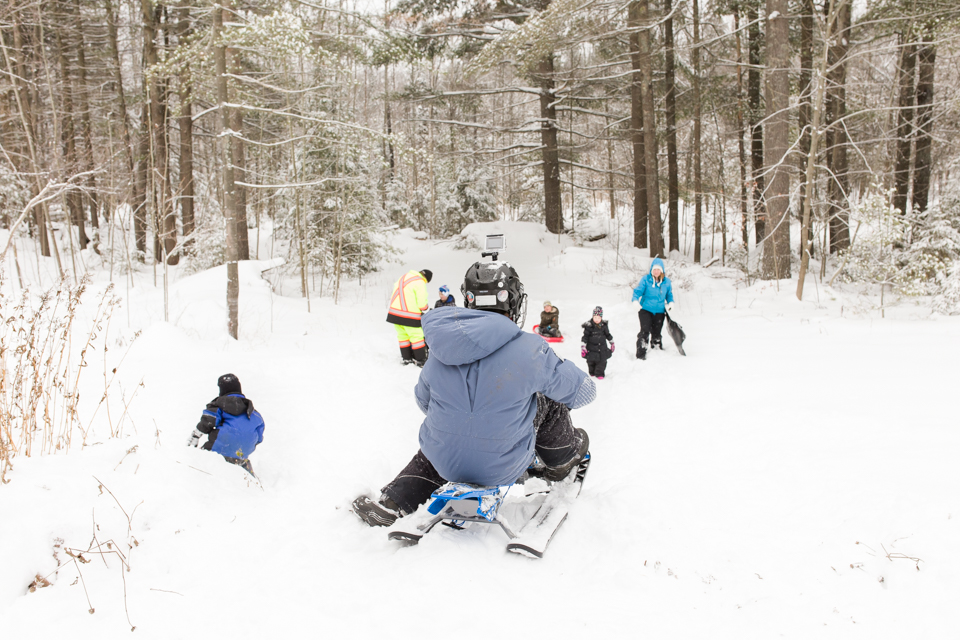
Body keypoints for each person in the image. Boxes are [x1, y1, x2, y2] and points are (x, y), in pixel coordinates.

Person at [353, 261, 595, 527]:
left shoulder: (442, 348)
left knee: (442, 438)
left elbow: (424, 400)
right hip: (504, 465)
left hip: (447, 462)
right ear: (514, 302)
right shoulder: (530, 349)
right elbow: (582, 393)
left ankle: (394, 501)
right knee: (548, 396)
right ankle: (561, 461)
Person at [188, 374, 265, 475]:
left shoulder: (219, 405)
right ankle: (248, 475)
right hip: (244, 450)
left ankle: (198, 473)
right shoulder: (254, 413)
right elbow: (259, 437)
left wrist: (195, 435)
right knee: (239, 458)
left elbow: (208, 421)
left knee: (204, 456)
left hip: (221, 446)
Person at [386, 268, 432, 366]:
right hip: (409, 315)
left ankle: (406, 359)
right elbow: (422, 304)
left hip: (394, 313)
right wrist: (426, 307)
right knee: (417, 336)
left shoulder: (404, 277)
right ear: (426, 278)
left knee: (403, 336)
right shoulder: (419, 282)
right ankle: (421, 360)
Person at [631, 257, 674, 360]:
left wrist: (671, 302)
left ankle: (656, 350)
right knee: (644, 331)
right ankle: (641, 354)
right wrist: (635, 301)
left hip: (659, 311)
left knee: (656, 332)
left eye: (658, 269)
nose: (656, 271)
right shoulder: (646, 279)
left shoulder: (666, 282)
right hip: (645, 310)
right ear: (651, 270)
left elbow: (669, 294)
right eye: (654, 269)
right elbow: (637, 291)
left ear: (661, 271)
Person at [581, 306, 614, 379]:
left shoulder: (604, 326)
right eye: (595, 317)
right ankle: (592, 372)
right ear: (593, 316)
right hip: (591, 348)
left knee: (602, 362)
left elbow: (607, 335)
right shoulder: (589, 326)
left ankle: (599, 374)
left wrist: (612, 342)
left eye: (598, 318)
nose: (596, 319)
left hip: (602, 348)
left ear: (601, 318)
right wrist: (583, 347)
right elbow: (585, 337)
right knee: (591, 362)